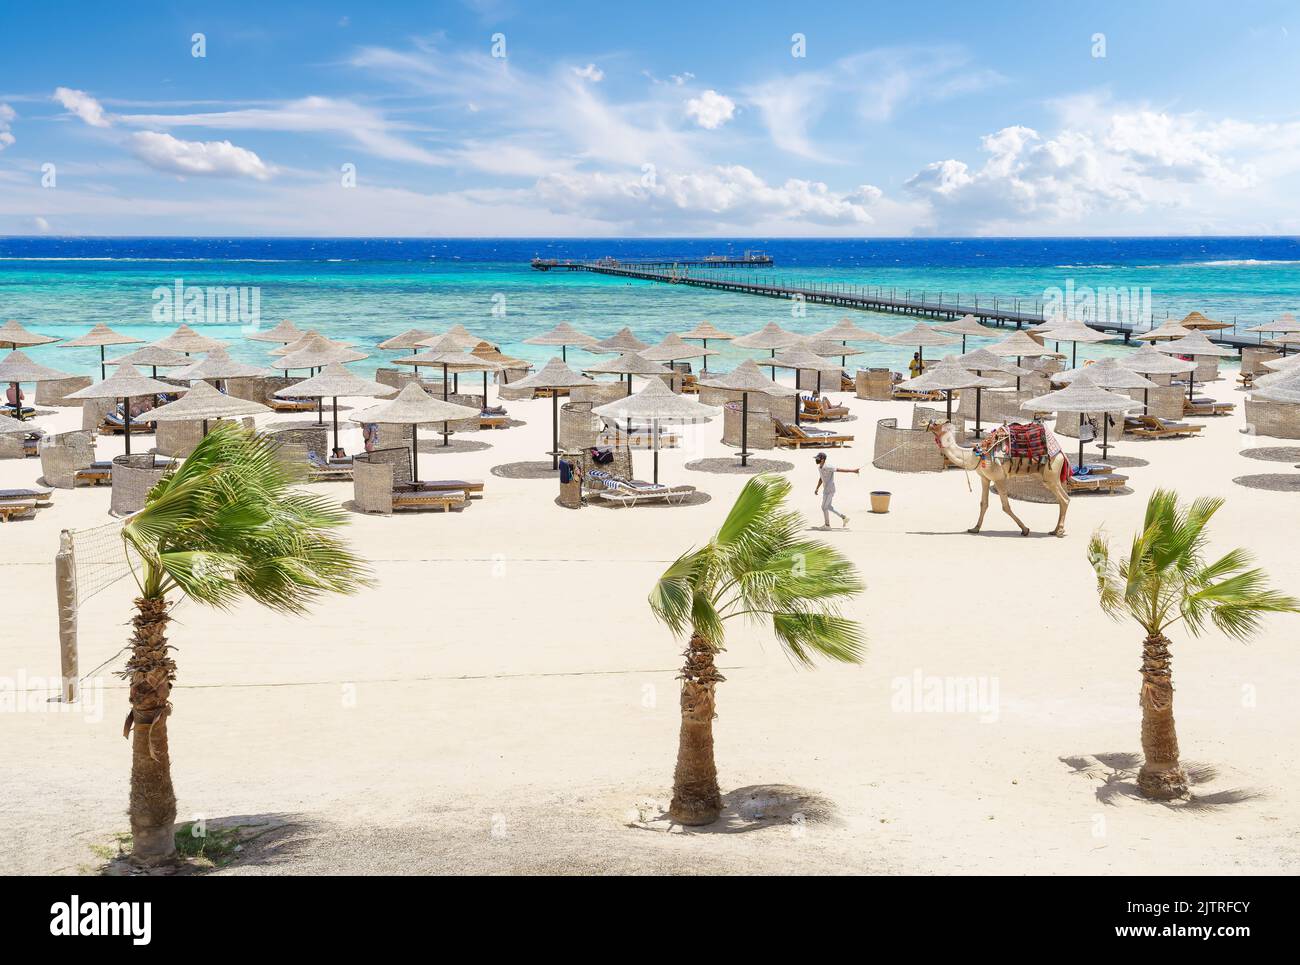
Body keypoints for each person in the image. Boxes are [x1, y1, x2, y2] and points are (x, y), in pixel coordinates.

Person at [813, 452, 858, 528]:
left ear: (823, 459)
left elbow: (840, 470)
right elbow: (821, 478)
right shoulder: (819, 468)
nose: (816, 460)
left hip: (830, 489)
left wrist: (853, 470)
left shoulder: (828, 466)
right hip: (825, 489)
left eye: (818, 458)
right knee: (829, 507)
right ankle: (844, 518)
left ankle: (827, 525)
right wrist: (817, 488)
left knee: (824, 507)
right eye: (816, 458)